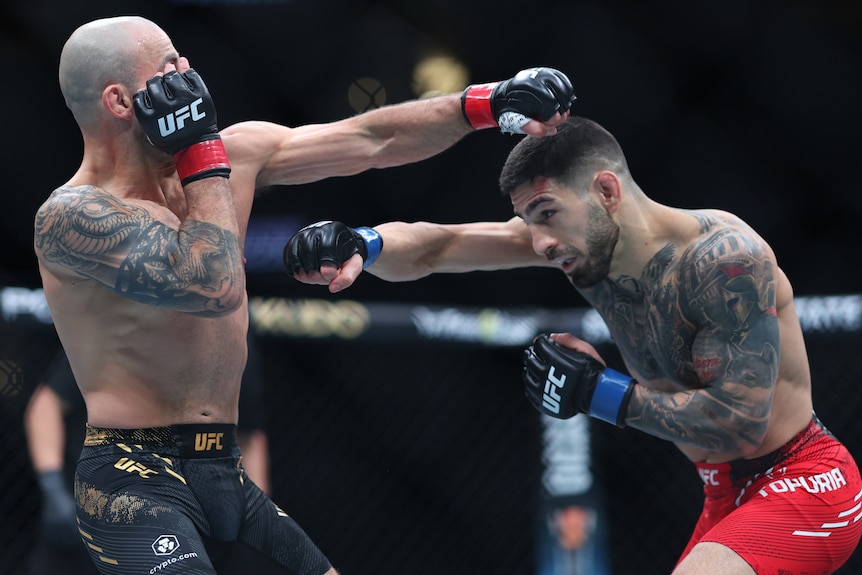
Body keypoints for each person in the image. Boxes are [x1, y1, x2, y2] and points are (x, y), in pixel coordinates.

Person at [32, 14, 574, 575]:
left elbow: (371, 138)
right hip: (131, 477)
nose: (188, 75)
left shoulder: (229, 157)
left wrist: (484, 103)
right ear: (121, 101)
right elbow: (213, 284)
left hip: (225, 470)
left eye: (184, 60)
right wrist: (201, 153)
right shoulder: (74, 216)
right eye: (168, 67)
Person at [283, 116, 862, 575]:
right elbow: (443, 246)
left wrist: (601, 392)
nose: (537, 241)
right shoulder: (580, 248)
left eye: (546, 213)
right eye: (527, 221)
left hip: (803, 480)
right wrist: (365, 241)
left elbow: (737, 427)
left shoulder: (724, 262)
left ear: (606, 190)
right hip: (721, 491)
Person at [23, 326, 271, 575]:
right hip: (87, 515)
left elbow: (248, 437)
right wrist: (54, 491)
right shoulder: (117, 320)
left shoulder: (233, 339)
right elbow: (47, 405)